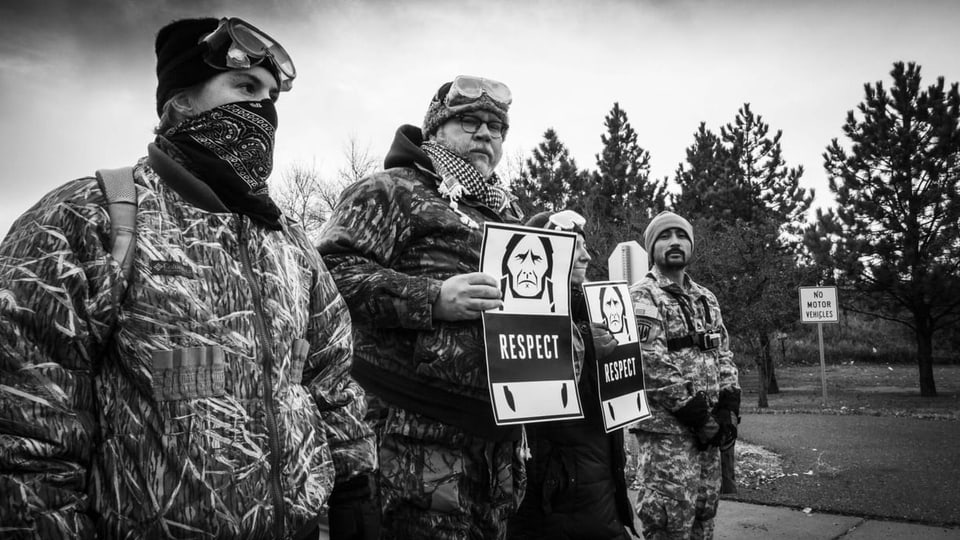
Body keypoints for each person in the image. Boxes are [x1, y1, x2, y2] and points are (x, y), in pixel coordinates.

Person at [0, 17, 377, 539]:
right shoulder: (87, 219)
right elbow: (26, 432)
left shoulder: (288, 243)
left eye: (271, 97)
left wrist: (353, 487)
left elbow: (330, 382)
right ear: (180, 102)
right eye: (245, 87)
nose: (263, 111)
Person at [318, 75, 526, 539]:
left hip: (494, 453)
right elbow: (328, 274)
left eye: (497, 127)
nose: (486, 134)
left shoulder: (506, 217)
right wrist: (432, 299)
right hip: (414, 442)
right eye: (469, 121)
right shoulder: (391, 190)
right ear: (435, 131)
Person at [506, 210, 638, 540]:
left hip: (599, 480)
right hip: (555, 495)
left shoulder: (598, 306)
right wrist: (579, 340)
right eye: (573, 245)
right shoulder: (516, 312)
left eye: (585, 245)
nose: (587, 255)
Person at [628, 211, 740, 540]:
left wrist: (728, 407)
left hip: (709, 437)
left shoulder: (705, 297)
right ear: (652, 248)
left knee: (704, 517)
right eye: (665, 236)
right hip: (668, 439)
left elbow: (723, 353)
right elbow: (651, 363)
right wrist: (699, 417)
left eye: (681, 235)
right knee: (668, 522)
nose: (674, 242)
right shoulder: (642, 296)